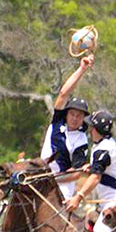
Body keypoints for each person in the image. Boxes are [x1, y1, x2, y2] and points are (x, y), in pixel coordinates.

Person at [40, 55, 94, 200]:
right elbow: (64, 93)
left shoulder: (82, 140)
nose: (75, 118)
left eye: (79, 115)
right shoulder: (57, 122)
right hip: (38, 178)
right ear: (66, 114)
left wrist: (53, 179)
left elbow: (75, 173)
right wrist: (82, 69)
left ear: (83, 118)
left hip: (62, 187)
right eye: (72, 114)